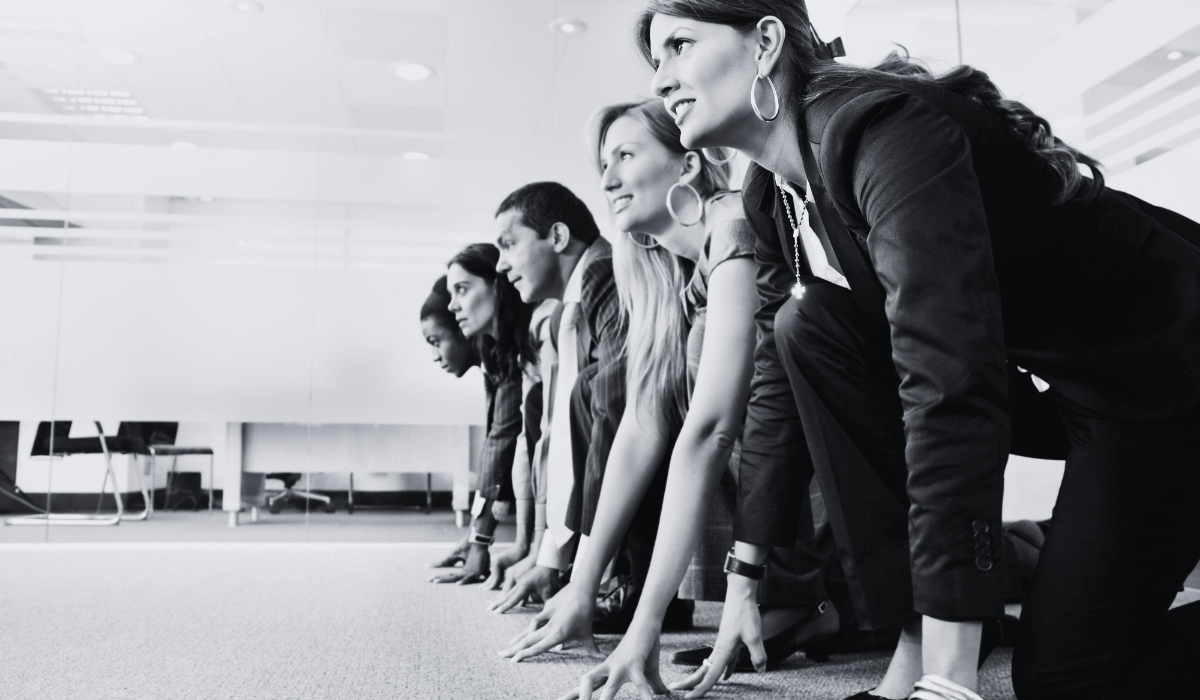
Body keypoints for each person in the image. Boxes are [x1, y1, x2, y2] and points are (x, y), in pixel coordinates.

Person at [635, 2, 1200, 700]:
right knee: (805, 328)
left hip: (1168, 373)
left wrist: (951, 676)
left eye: (679, 45)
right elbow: (780, 385)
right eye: (653, 59)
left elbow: (945, 377)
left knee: (1067, 681)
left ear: (767, 42)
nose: (661, 77)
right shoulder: (772, 200)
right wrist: (746, 576)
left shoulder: (880, 130)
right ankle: (938, 616)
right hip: (1066, 390)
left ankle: (966, 618)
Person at [501, 96, 840, 684]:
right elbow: (639, 428)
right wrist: (581, 585)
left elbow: (713, 430)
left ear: (686, 166)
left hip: (840, 493)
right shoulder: (670, 280)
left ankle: (819, 596)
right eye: (602, 164)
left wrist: (644, 627)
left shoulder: (731, 224)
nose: (606, 179)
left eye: (625, 155)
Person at [484, 182, 631, 615]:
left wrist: (580, 573)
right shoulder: (576, 298)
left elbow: (612, 414)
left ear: (559, 237)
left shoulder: (601, 273)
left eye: (509, 245)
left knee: (591, 393)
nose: (501, 265)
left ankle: (626, 579)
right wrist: (550, 558)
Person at [429, 243, 538, 585]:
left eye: (436, 340)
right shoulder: (494, 349)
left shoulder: (511, 341)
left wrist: (482, 540)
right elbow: (497, 439)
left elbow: (505, 440)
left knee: (524, 441)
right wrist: (478, 535)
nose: (453, 305)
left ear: (497, 285)